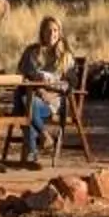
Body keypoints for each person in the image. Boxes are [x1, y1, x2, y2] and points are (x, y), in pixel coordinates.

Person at [15, 16, 75, 164]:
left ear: (60, 32)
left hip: (52, 101)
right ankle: (43, 135)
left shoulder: (65, 56)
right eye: (48, 30)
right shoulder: (32, 52)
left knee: (24, 104)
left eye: (55, 30)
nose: (52, 34)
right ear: (42, 32)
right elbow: (22, 76)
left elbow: (70, 83)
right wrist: (38, 90)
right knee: (23, 100)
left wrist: (52, 92)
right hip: (32, 95)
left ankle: (32, 151)